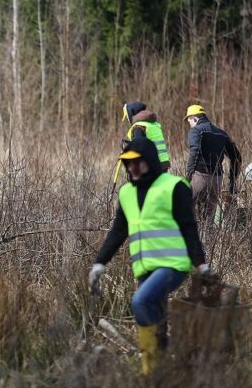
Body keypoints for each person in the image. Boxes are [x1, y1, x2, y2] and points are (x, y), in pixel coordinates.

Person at [89, 137, 212, 375]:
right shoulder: (126, 193)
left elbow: (189, 228)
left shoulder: (174, 186)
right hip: (145, 268)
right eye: (128, 163)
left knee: (140, 301)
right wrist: (99, 264)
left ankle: (151, 369)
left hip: (173, 265)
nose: (132, 168)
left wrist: (201, 265)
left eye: (138, 162)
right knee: (156, 315)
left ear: (150, 162)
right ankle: (167, 368)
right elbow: (118, 231)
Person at [183, 104, 242, 228]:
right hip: (217, 180)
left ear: (195, 118)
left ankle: (186, 245)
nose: (188, 122)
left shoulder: (195, 131)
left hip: (199, 177)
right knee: (208, 222)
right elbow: (236, 157)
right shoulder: (222, 134)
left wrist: (188, 175)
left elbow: (195, 150)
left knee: (183, 211)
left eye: (189, 119)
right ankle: (208, 246)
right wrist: (232, 182)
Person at [122, 101, 171, 171]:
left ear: (131, 114)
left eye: (127, 117)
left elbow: (139, 147)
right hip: (164, 162)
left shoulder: (139, 127)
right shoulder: (154, 125)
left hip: (153, 164)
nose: (127, 119)